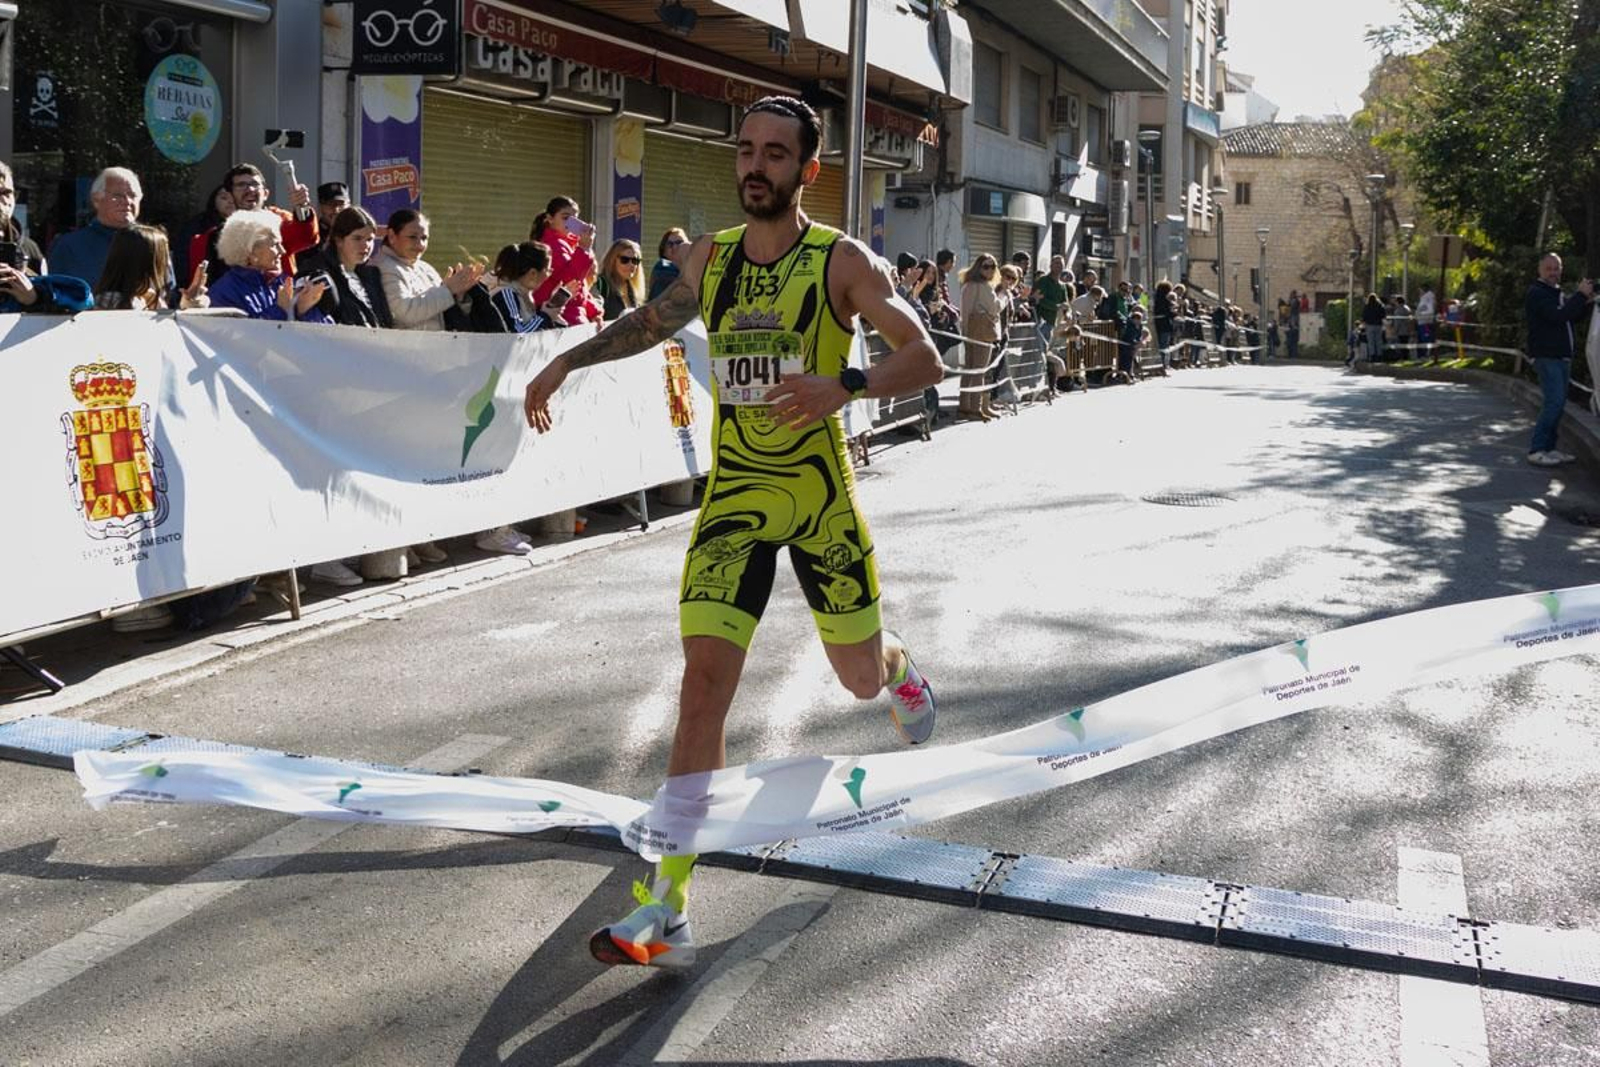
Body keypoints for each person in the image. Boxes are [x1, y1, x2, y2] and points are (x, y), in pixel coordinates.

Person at [522, 95, 942, 970]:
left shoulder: (842, 261)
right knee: (703, 686)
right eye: (746, 150)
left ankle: (896, 662)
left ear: (807, 171)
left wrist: (847, 385)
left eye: (776, 155)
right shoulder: (708, 257)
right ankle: (668, 899)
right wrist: (566, 358)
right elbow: (652, 323)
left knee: (857, 680)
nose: (756, 166)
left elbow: (927, 356)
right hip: (736, 500)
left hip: (820, 499)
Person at [190, 163, 317, 285]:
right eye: (241, 185)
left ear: (266, 193)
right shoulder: (210, 238)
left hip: (279, 300)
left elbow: (306, 236)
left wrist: (302, 206)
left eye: (255, 184)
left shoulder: (279, 221)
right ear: (230, 195)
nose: (250, 189)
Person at [48, 167, 168, 293]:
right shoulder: (70, 246)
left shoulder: (153, 242)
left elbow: (168, 292)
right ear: (96, 199)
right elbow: (57, 295)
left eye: (133, 195)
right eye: (117, 196)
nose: (127, 201)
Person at [1524, 253, 1595, 467]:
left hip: (1560, 356)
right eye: (1549, 268)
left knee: (1557, 402)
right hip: (1547, 356)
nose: (1554, 272)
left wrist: (1587, 302)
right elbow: (1558, 316)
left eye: (1557, 268)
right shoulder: (1537, 293)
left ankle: (1549, 448)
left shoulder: (1554, 292)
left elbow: (1571, 317)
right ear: (1540, 270)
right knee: (1554, 402)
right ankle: (1537, 449)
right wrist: (1580, 296)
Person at [208, 209, 331, 323]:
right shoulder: (224, 293)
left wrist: (303, 310)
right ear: (250, 252)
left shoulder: (282, 282)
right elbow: (242, 340)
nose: (282, 251)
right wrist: (280, 309)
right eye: (274, 244)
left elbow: (327, 333)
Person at [93, 225, 207, 311]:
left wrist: (187, 305)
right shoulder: (117, 301)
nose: (168, 263)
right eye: (164, 256)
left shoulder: (150, 298)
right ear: (147, 263)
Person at [529, 196, 602, 325]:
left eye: (575, 218)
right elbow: (570, 278)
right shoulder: (552, 245)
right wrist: (584, 248)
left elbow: (580, 288)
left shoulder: (570, 244)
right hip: (560, 315)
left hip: (571, 314)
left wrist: (594, 312)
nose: (570, 223)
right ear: (550, 218)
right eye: (565, 217)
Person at [488, 241, 567, 333]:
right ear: (532, 273)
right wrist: (546, 315)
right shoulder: (506, 294)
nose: (548, 275)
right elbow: (518, 336)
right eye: (548, 270)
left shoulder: (524, 294)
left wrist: (552, 314)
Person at [959, 252, 1002, 421]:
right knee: (979, 372)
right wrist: (1004, 297)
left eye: (993, 266)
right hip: (981, 333)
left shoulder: (970, 285)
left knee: (969, 371)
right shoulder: (980, 286)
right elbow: (994, 308)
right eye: (986, 266)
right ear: (978, 267)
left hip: (971, 332)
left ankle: (964, 408)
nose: (990, 270)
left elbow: (965, 312)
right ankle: (975, 409)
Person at [173, 182, 234, 291]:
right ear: (214, 200)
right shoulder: (197, 225)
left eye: (234, 197)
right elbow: (182, 257)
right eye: (224, 197)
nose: (230, 201)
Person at [595, 238, 645, 320]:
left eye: (635, 261)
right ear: (612, 260)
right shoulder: (601, 284)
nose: (631, 265)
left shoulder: (632, 290)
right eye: (625, 260)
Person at [648, 227, 688, 301]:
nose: (675, 247)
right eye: (670, 244)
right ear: (664, 251)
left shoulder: (690, 268)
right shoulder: (664, 268)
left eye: (679, 242)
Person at [1360, 293, 1387, 363]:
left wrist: (1363, 324)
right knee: (1378, 341)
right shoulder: (1380, 306)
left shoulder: (1367, 306)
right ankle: (1379, 355)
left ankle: (1372, 356)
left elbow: (1364, 316)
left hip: (1369, 325)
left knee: (1371, 341)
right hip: (1378, 325)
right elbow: (1383, 315)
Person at [1415, 284, 1437, 359]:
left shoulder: (1427, 298)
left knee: (1425, 338)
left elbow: (1430, 310)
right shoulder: (1425, 298)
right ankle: (1423, 354)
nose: (1419, 292)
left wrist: (1420, 313)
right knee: (1423, 338)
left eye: (1420, 290)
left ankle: (1426, 354)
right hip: (1422, 321)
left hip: (1425, 321)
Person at [1285, 290, 1302, 358]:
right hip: (1293, 320)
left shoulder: (1295, 301)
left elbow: (1292, 307)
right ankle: (1292, 355)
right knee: (1292, 343)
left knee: (1293, 343)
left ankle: (1293, 355)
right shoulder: (1294, 301)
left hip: (1294, 318)